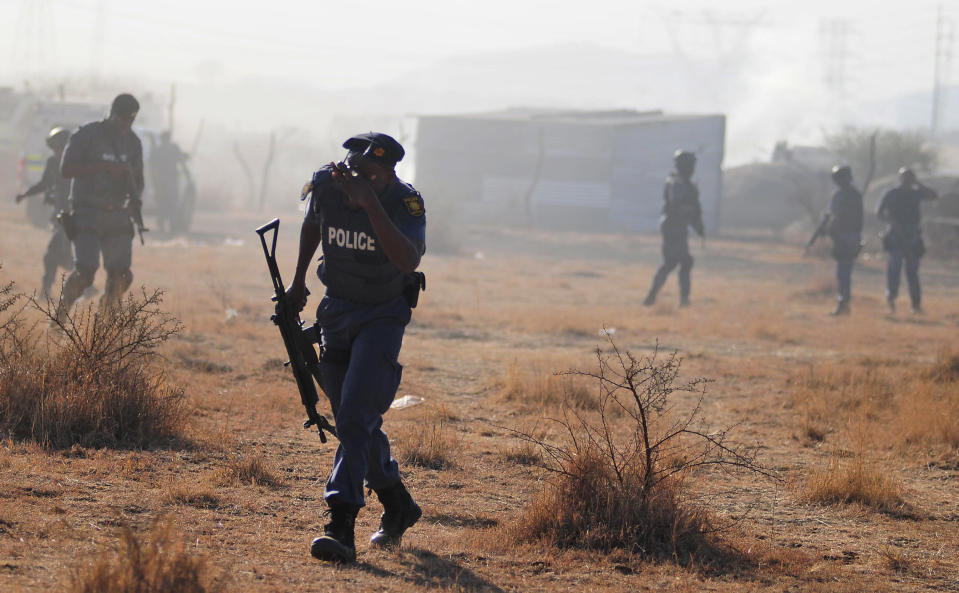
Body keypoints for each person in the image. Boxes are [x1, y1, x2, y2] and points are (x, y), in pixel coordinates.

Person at [285, 132, 426, 563]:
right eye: (353, 171)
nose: (357, 179)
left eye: (370, 175)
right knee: (356, 420)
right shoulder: (328, 185)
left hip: (382, 315)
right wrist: (297, 283)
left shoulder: (404, 202)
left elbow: (408, 260)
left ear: (388, 174)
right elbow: (312, 223)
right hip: (337, 310)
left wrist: (371, 205)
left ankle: (340, 524)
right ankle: (398, 504)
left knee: (353, 417)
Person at [56, 93, 144, 319]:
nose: (125, 125)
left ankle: (103, 322)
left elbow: (139, 181)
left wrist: (134, 199)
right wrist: (102, 167)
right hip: (87, 212)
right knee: (85, 272)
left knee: (122, 276)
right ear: (112, 114)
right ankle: (59, 319)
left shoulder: (133, 143)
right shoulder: (87, 135)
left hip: (117, 215)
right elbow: (66, 170)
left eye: (130, 120)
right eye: (122, 119)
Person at [13, 127, 73, 297]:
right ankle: (80, 285)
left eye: (60, 147)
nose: (57, 151)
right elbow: (44, 183)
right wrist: (25, 194)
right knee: (60, 255)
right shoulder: (52, 163)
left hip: (73, 217)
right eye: (54, 148)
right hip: (59, 216)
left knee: (54, 253)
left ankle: (48, 291)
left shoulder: (76, 166)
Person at [642, 150, 704, 307]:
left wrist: (697, 224)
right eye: (691, 165)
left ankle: (655, 298)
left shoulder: (685, 183)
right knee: (678, 262)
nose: (693, 168)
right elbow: (678, 205)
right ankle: (675, 300)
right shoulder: (677, 183)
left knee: (677, 262)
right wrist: (693, 215)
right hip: (672, 226)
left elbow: (693, 209)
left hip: (677, 226)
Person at [876, 167, 937, 314]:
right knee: (894, 270)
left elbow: (934, 196)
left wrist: (918, 184)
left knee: (912, 272)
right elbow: (879, 213)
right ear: (900, 179)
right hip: (895, 236)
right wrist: (892, 223)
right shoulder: (891, 194)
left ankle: (915, 305)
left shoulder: (916, 194)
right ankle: (891, 301)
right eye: (905, 178)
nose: (907, 181)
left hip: (913, 237)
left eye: (910, 178)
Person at [825, 165, 863, 315]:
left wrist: (832, 230)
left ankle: (843, 303)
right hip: (849, 236)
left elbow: (837, 217)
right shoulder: (853, 194)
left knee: (843, 272)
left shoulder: (843, 195)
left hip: (845, 237)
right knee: (844, 271)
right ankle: (843, 302)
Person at [149, 131, 188, 233]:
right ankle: (170, 225)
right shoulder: (172, 149)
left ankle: (166, 225)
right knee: (170, 204)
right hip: (169, 182)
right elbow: (182, 160)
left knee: (164, 204)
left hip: (163, 182)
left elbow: (152, 167)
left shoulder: (158, 150)